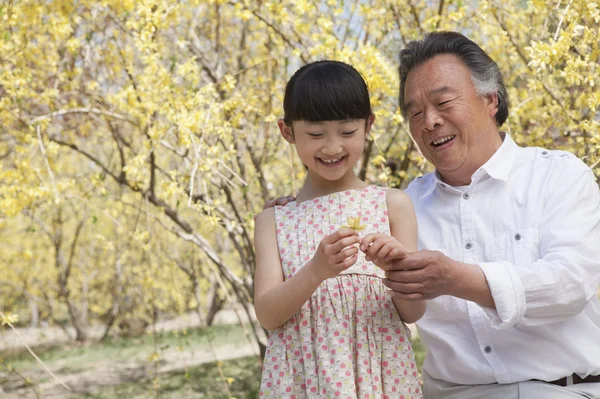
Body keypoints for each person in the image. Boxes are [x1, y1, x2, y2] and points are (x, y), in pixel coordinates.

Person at [266, 32, 600, 398]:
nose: (430, 122)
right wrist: (298, 210)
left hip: (563, 390)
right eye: (415, 113)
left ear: (491, 99)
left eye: (443, 102)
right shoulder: (401, 206)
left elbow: (570, 284)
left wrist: (457, 279)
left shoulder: (558, 176)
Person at [253, 60, 425, 398]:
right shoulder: (273, 220)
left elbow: (413, 313)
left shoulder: (393, 205)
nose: (332, 147)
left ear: (368, 126)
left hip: (379, 378)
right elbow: (268, 315)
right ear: (287, 132)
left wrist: (396, 269)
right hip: (304, 382)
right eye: (316, 134)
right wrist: (316, 271)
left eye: (347, 132)